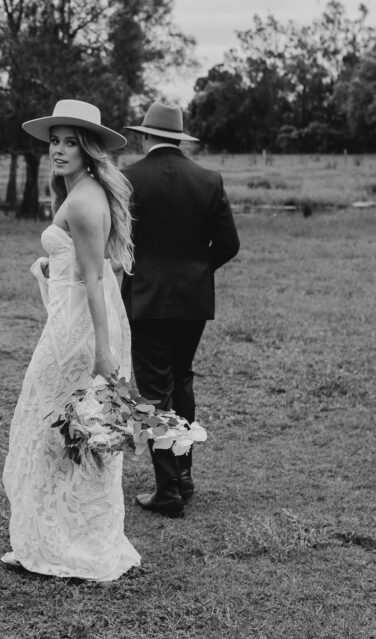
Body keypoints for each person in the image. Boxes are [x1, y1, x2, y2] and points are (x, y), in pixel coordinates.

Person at [1, 99, 141, 581]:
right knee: (73, 430)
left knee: (52, 428)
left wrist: (104, 349)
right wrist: (52, 269)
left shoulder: (82, 202)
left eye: (70, 142)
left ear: (89, 149)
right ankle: (64, 534)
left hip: (77, 333)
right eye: (54, 141)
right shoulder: (87, 191)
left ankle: (63, 541)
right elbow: (104, 271)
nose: (58, 150)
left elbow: (97, 281)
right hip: (81, 322)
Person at [122, 102, 240, 518]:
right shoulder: (208, 180)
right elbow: (228, 245)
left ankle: (168, 489)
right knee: (182, 381)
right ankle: (183, 476)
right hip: (192, 302)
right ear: (179, 138)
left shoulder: (127, 179)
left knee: (154, 393)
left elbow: (119, 241)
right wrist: (194, 271)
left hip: (146, 300)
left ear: (144, 136)